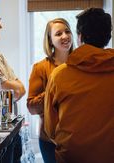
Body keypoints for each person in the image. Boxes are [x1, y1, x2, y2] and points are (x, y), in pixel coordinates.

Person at [44, 8, 114, 163]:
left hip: (71, 156)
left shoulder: (59, 75)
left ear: (80, 36)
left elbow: (50, 128)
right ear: (108, 37)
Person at [27, 18, 73, 163]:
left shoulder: (81, 65)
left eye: (67, 31)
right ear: (50, 40)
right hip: (49, 140)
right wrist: (53, 91)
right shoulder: (40, 68)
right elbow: (32, 107)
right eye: (58, 34)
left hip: (78, 138)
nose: (65, 36)